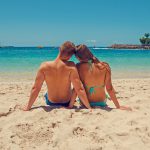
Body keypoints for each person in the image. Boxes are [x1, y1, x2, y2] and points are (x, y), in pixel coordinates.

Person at [23, 42, 91, 111]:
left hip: (51, 102)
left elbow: (36, 88)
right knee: (70, 91)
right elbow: (79, 89)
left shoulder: (44, 66)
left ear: (60, 49)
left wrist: (28, 107)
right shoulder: (71, 66)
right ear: (70, 56)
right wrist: (89, 107)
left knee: (46, 93)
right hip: (66, 102)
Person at [69, 44, 131, 111]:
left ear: (78, 57)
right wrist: (118, 106)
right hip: (102, 102)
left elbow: (76, 89)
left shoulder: (78, 67)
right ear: (89, 52)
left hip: (85, 103)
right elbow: (109, 89)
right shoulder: (105, 66)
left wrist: (70, 106)